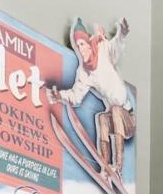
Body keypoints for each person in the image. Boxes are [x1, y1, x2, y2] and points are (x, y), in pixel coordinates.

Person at [48, 17, 135, 177]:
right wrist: (60, 95)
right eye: (78, 46)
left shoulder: (103, 50)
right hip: (114, 117)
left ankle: (118, 168)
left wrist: (122, 33)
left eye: (82, 44)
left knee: (116, 110)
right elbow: (76, 95)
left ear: (89, 44)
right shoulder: (84, 72)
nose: (81, 49)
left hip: (128, 119)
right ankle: (106, 168)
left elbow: (116, 47)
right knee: (102, 119)